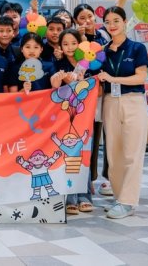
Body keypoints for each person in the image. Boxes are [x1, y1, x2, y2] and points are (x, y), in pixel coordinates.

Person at [97, 6, 148, 219]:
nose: (112, 25)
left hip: (133, 101)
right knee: (114, 153)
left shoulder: (137, 48)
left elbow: (140, 77)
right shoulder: (101, 51)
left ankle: (129, 201)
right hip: (110, 102)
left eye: (116, 20)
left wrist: (113, 79)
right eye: (108, 21)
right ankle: (119, 198)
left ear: (125, 21)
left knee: (132, 153)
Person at [51, 28, 97, 214]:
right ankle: (70, 198)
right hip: (64, 118)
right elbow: (52, 88)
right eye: (65, 44)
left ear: (80, 44)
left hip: (86, 116)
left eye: (73, 43)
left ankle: (85, 196)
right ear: (60, 46)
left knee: (84, 155)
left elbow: (97, 88)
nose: (70, 47)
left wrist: (82, 82)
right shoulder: (57, 64)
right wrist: (63, 81)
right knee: (68, 156)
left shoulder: (89, 63)